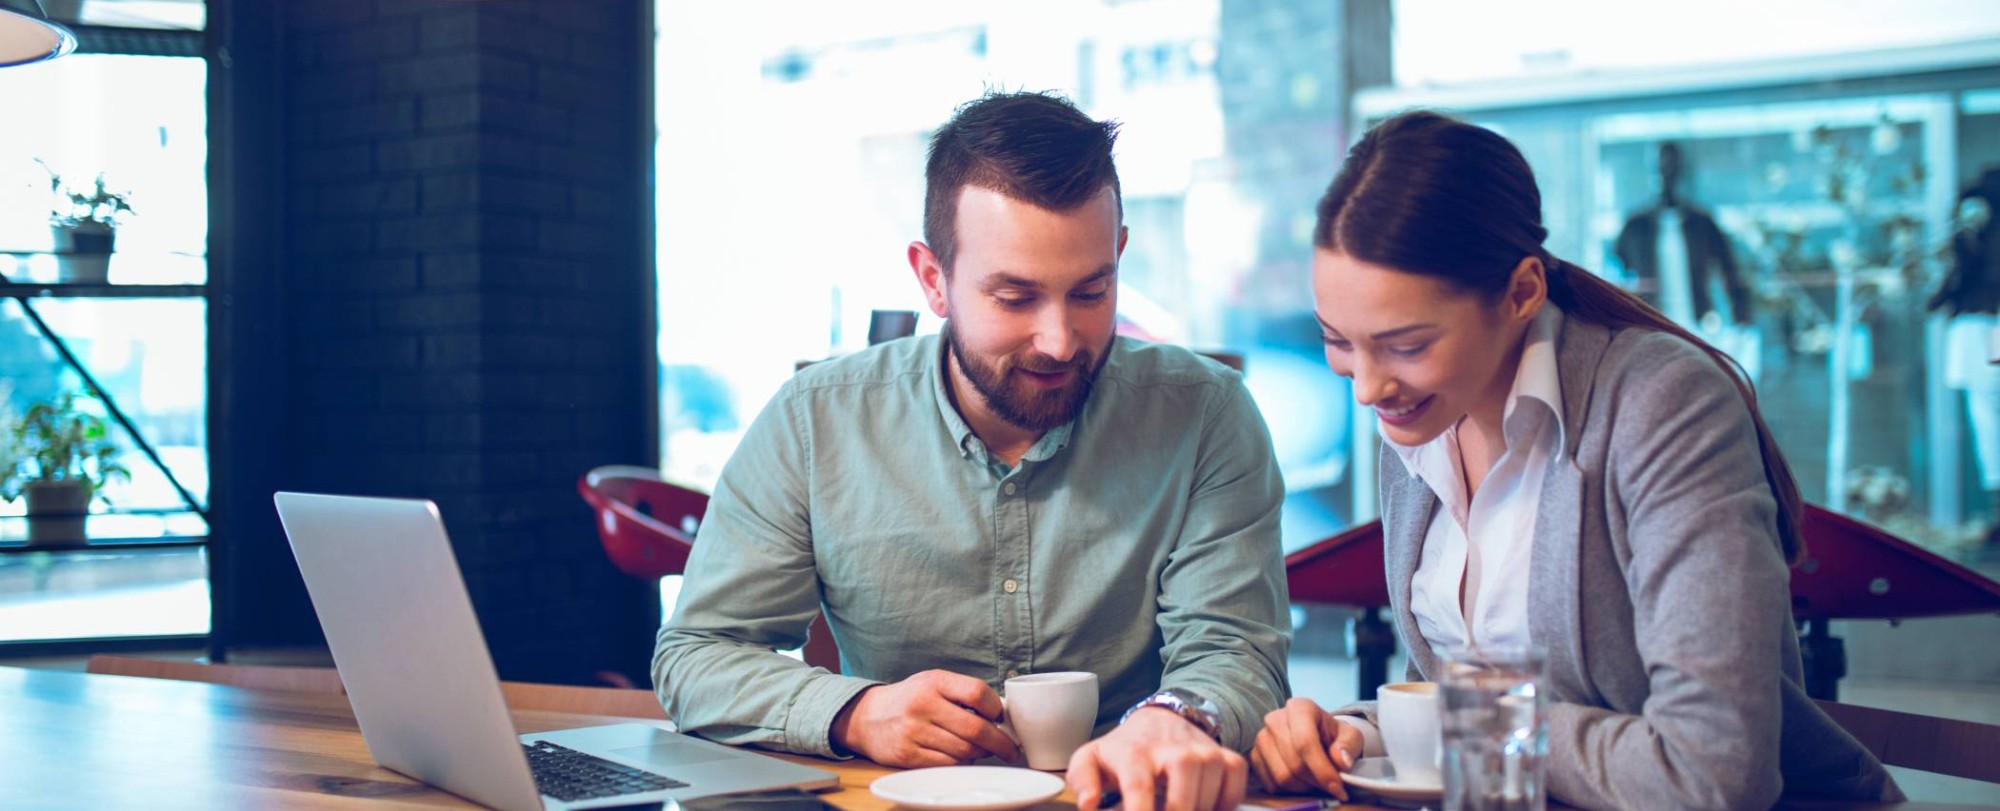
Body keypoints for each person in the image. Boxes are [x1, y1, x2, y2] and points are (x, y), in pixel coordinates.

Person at [653, 91, 1289, 811]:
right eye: (1015, 298)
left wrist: (1173, 717)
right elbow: (697, 654)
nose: (1059, 339)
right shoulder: (815, 422)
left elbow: (1238, 654)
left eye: (1091, 291)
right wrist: (858, 712)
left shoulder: (1205, 414)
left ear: (1119, 256)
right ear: (933, 279)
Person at [1248, 111, 1900, 810]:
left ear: (1523, 292)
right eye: (1339, 341)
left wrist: (1482, 723)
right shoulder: (1420, 420)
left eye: (1406, 344)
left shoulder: (1662, 403)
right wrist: (1353, 733)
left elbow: (1715, 772)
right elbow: (1451, 702)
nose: (1369, 385)